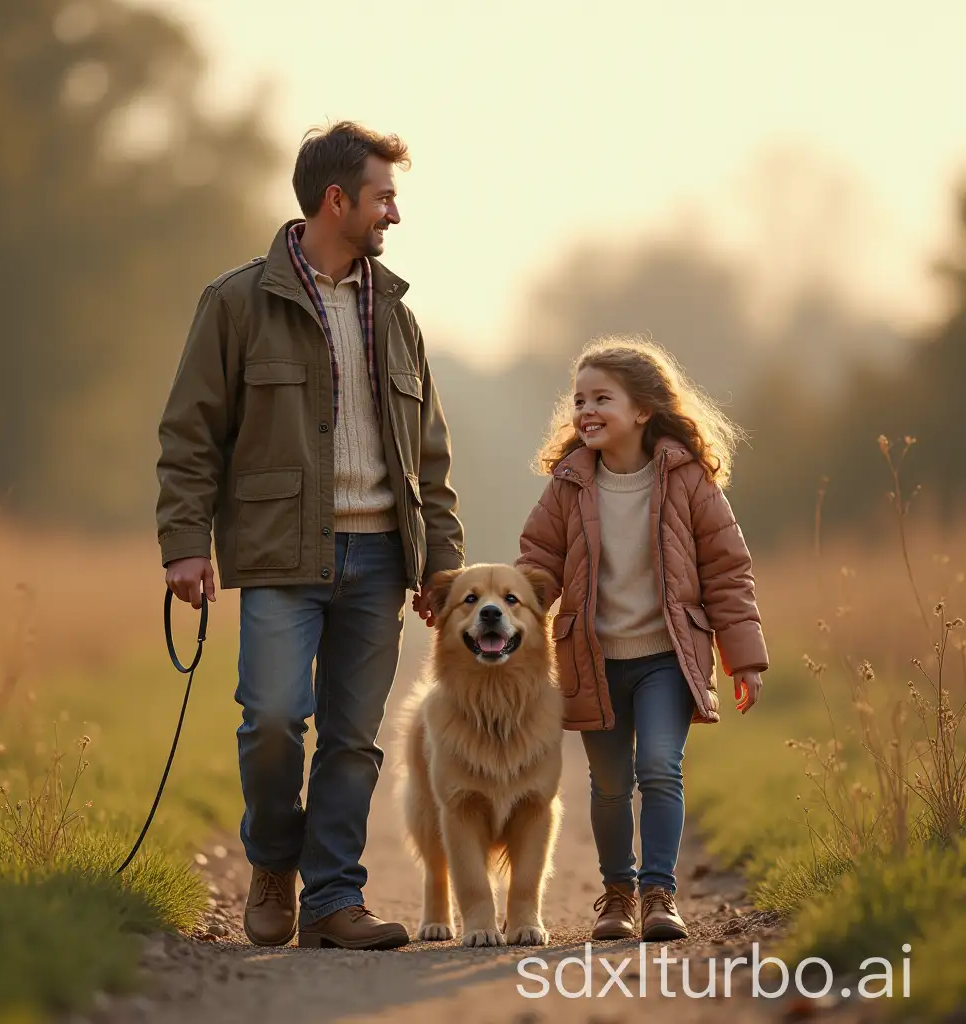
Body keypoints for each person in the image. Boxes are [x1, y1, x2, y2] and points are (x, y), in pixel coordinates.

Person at [155, 121, 464, 950]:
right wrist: (186, 544)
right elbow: (191, 434)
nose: (393, 214)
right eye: (384, 196)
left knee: (354, 740)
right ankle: (272, 862)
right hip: (280, 556)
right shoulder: (235, 302)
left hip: (380, 560)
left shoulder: (398, 315)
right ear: (338, 200)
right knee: (272, 719)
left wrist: (443, 568)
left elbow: (430, 454)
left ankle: (333, 899)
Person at [515, 336, 768, 943]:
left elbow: (728, 571)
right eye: (578, 400)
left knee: (659, 768)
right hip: (593, 658)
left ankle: (659, 893)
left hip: (666, 658)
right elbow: (536, 565)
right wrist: (510, 636)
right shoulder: (568, 485)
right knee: (607, 786)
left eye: (602, 397)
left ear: (643, 410)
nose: (586, 411)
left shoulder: (688, 481)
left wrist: (744, 658)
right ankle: (617, 894)